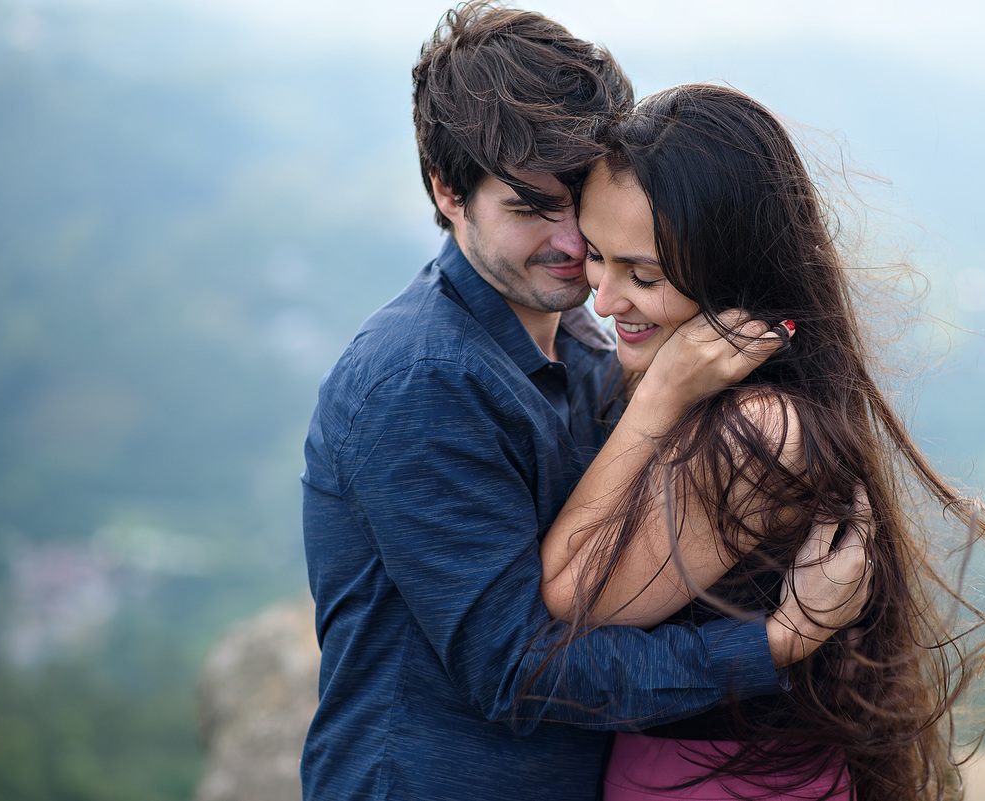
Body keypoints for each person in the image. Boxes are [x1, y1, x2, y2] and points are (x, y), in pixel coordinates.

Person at [300, 6, 870, 801]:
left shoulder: (588, 338)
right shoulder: (423, 379)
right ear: (448, 191)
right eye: (532, 206)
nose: (574, 242)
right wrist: (774, 643)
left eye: (582, 200)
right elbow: (516, 667)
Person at [537, 84, 985, 801]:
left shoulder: (755, 432)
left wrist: (658, 396)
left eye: (642, 275)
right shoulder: (731, 400)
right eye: (596, 256)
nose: (605, 297)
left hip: (716, 782)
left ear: (732, 272)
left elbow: (571, 591)